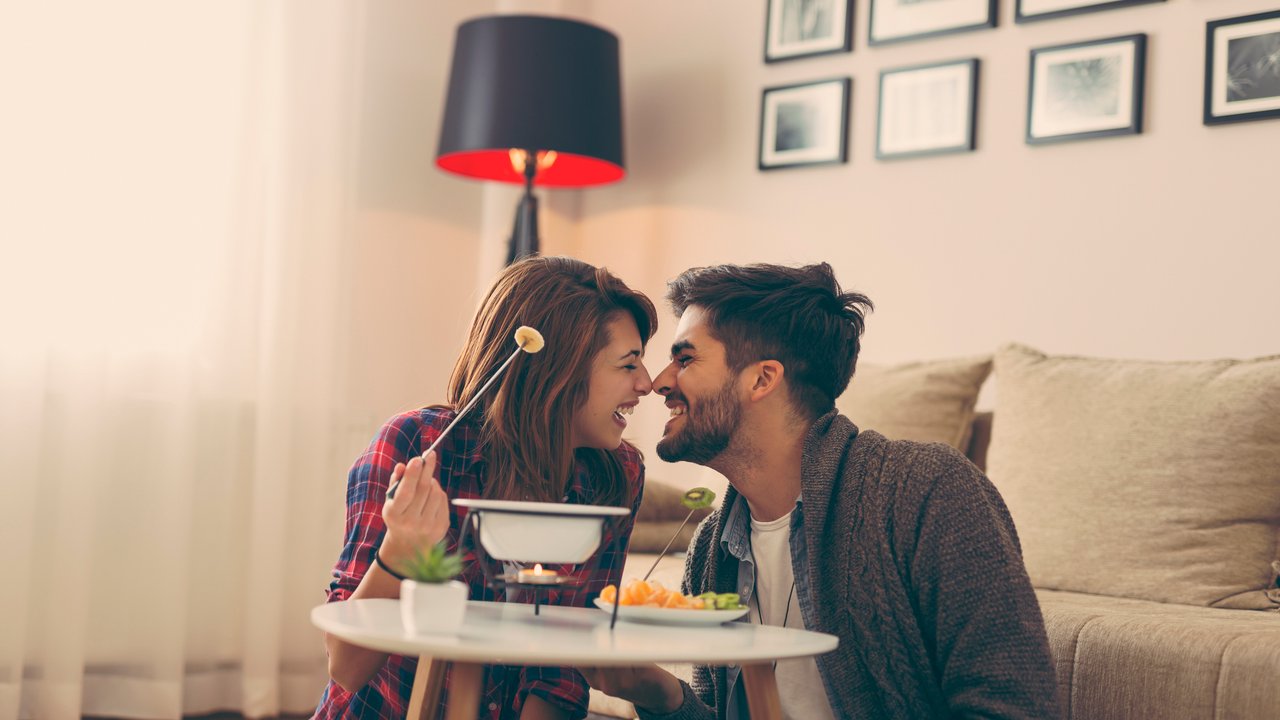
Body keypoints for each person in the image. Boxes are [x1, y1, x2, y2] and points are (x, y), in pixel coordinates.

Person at [582, 263, 1060, 719]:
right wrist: (660, 693)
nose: (658, 382)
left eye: (684, 358)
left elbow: (1014, 708)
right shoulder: (712, 546)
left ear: (763, 379)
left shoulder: (927, 490)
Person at [314, 256, 658, 720]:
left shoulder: (617, 476)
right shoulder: (419, 445)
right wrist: (399, 552)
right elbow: (346, 668)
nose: (647, 383)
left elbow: (566, 668)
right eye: (628, 364)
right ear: (559, 368)